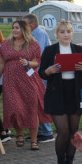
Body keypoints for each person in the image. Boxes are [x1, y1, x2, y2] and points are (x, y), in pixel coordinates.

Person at [40, 20, 82, 164]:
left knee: (73, 131)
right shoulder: (50, 51)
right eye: (62, 32)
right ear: (57, 34)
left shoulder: (78, 49)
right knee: (63, 130)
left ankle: (70, 162)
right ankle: (60, 163)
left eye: (68, 31)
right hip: (57, 93)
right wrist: (49, 71)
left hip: (75, 92)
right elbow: (42, 73)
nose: (65, 35)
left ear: (72, 33)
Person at [0, 19, 50, 150]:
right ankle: (19, 134)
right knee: (15, 108)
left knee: (32, 109)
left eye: (17, 28)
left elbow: (37, 62)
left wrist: (29, 63)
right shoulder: (6, 44)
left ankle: (34, 140)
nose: (14, 30)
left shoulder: (33, 44)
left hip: (28, 80)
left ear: (24, 30)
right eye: (13, 28)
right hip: (10, 81)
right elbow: (1, 62)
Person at [24, 14, 55, 143]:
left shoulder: (39, 35)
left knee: (40, 101)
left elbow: (38, 56)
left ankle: (47, 132)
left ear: (32, 25)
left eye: (24, 24)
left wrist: (29, 69)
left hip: (40, 74)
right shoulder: (32, 36)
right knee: (34, 102)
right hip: (34, 72)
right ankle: (40, 131)